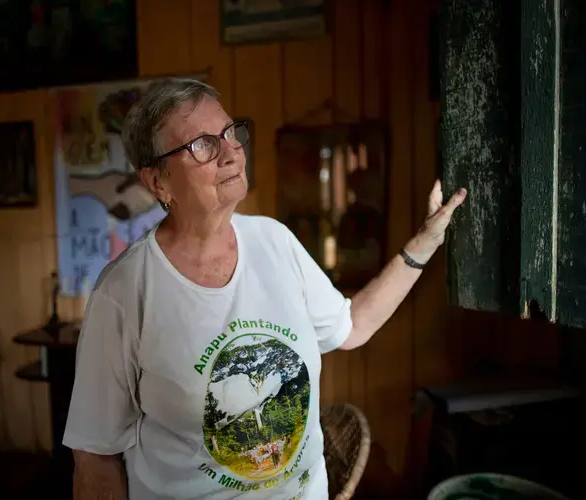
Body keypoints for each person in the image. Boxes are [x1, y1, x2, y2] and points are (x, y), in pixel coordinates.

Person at [63, 78, 467, 500]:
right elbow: (95, 454)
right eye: (202, 144)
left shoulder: (275, 242)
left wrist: (426, 240)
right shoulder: (125, 291)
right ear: (157, 181)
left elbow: (351, 326)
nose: (231, 150)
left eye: (229, 132)